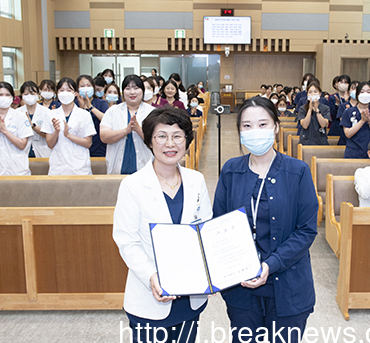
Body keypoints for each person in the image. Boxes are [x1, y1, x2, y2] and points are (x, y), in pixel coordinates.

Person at [213, 97, 317, 343]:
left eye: (262, 124)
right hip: (241, 288)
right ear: (239, 131)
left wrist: (271, 264)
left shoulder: (297, 171)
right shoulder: (231, 170)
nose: (255, 132)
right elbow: (218, 225)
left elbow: (306, 230)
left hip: (288, 284)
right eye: (247, 126)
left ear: (276, 127)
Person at [113, 107, 211, 343]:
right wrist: (152, 276)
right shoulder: (132, 185)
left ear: (186, 140)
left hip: (189, 296)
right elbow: (127, 242)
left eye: (177, 136)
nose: (170, 144)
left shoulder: (196, 180)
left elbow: (206, 234)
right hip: (151, 295)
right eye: (162, 136)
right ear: (149, 141)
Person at [42, 77, 96, 175]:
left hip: (80, 167)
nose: (65, 93)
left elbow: (88, 143)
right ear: (57, 93)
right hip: (58, 166)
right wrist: (56, 131)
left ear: (75, 93)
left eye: (69, 90)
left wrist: (68, 135)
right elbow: (50, 144)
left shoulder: (84, 115)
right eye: (62, 90)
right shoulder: (51, 115)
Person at [100, 75, 154, 175]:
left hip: (145, 169)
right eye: (128, 88)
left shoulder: (152, 112)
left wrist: (138, 129)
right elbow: (104, 136)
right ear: (123, 92)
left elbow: (156, 141)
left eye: (136, 88)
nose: (132, 92)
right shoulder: (112, 111)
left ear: (142, 91)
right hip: (117, 169)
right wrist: (126, 130)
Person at [340, 82, 370, 158]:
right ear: (357, 94)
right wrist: (362, 121)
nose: (365, 94)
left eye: (368, 92)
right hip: (353, 153)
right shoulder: (348, 112)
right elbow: (348, 134)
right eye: (362, 92)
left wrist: (369, 121)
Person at [76, 74, 109, 157]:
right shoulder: (74, 104)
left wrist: (90, 107)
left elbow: (106, 119)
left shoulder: (101, 103)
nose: (86, 88)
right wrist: (81, 108)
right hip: (79, 146)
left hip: (99, 147)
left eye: (88, 85)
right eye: (82, 86)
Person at [18, 81, 52, 158]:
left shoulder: (46, 112)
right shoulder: (17, 112)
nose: (29, 96)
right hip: (23, 151)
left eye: (32, 93)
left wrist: (33, 126)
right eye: (26, 94)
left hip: (42, 151)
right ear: (22, 96)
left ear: (37, 94)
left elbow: (48, 134)